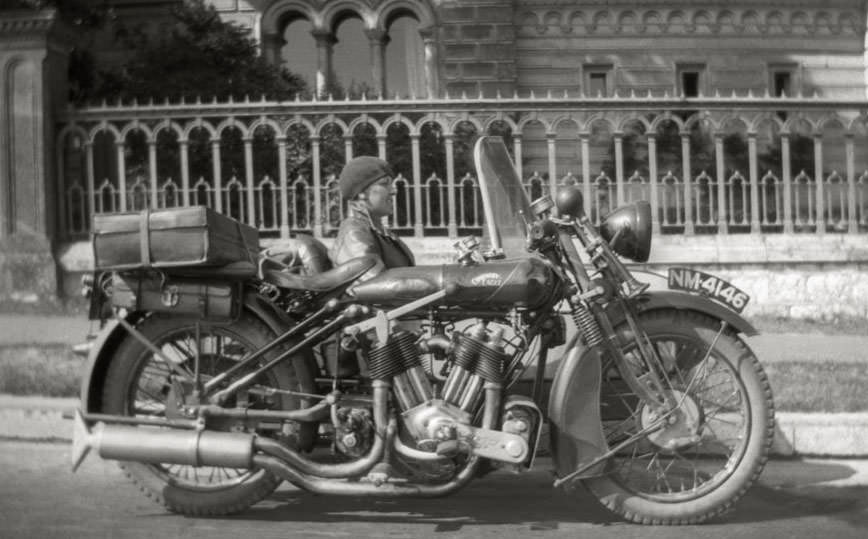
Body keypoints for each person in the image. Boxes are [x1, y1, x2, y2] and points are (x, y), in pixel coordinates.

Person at [329, 156, 414, 277]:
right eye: (385, 184)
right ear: (361, 193)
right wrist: (441, 279)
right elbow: (373, 285)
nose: (393, 191)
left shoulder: (380, 233)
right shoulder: (354, 233)